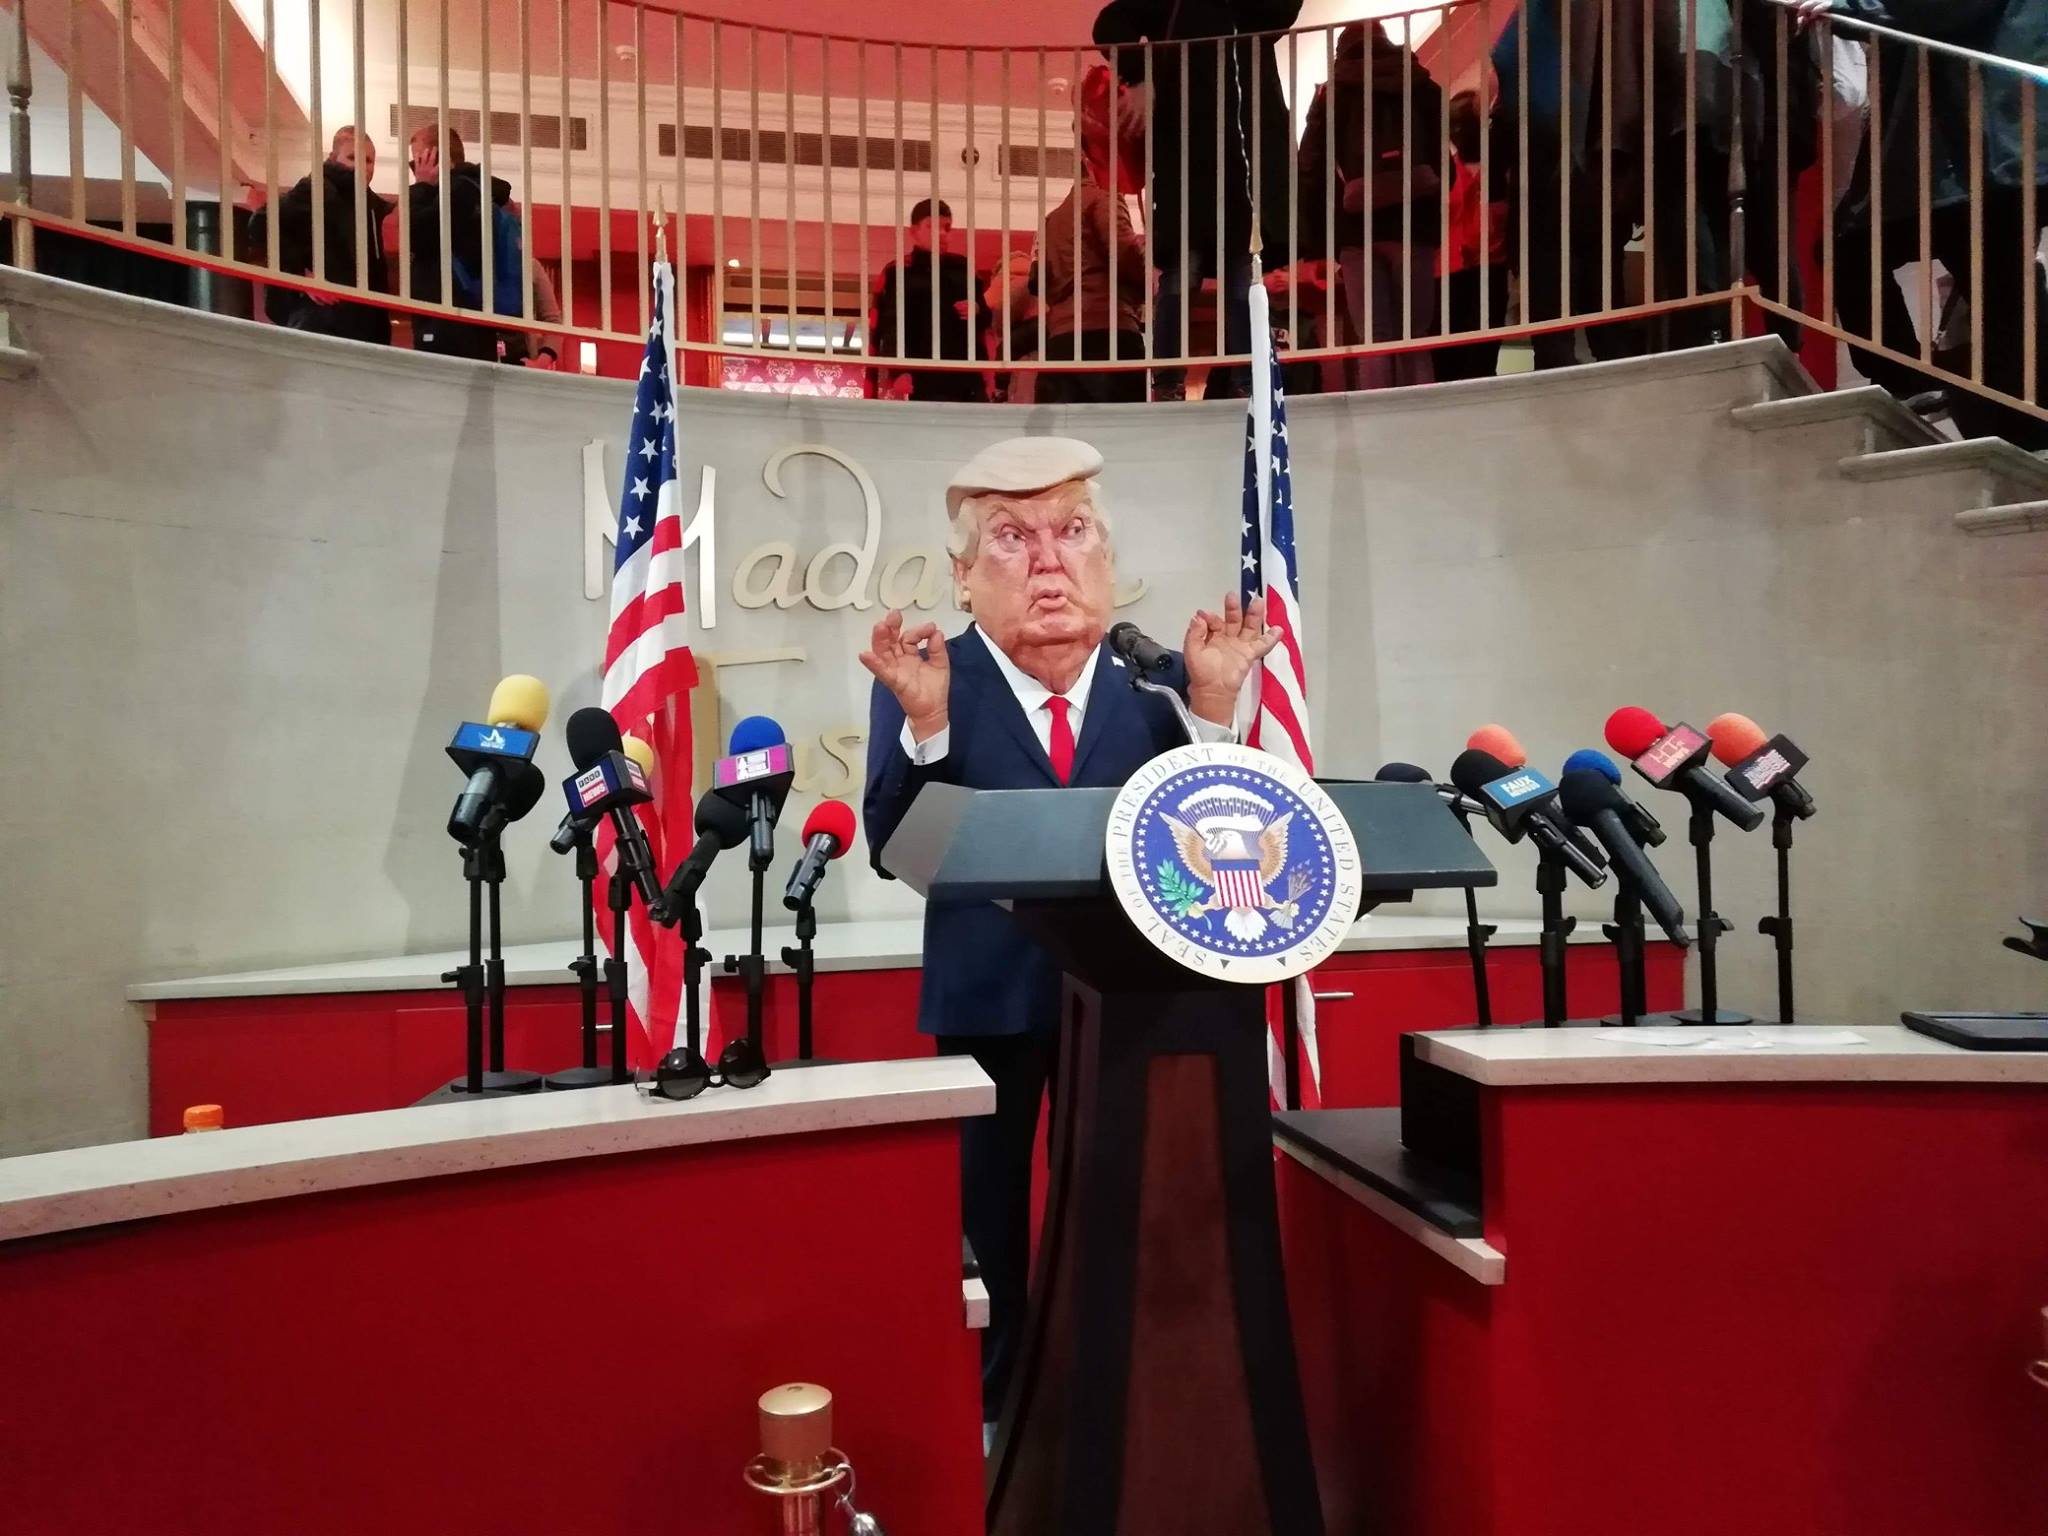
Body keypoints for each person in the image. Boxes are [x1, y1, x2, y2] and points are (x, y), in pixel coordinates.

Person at [860, 437, 1278, 1442]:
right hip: (988, 1001)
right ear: (963, 576)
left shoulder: (1162, 678)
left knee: (1122, 1207)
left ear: (1108, 559)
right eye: (1012, 537)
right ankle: (994, 1419)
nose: (1049, 560)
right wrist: (927, 733)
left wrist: (1214, 711)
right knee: (988, 1221)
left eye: (1073, 531)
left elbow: (1212, 831)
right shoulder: (930, 678)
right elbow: (894, 848)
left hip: (1131, 1001)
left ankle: (1122, 1410)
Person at [1791, 0, 2048, 448]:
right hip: (1983, 148)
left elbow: (1934, 10)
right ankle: (2018, 430)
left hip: (1983, 145)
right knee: (2000, 291)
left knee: (1997, 289)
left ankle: (1923, 387)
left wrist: (1851, 7)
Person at [1094, 0, 1305, 400]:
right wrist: (1139, 75)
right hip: (1220, 156)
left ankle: (1184, 381)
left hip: (1205, 158)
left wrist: (1140, 76)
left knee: (1206, 272)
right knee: (1221, 271)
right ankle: (1234, 381)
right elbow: (1111, 24)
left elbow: (1281, 11)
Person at [1296, 22, 1445, 390]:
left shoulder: (1332, 93)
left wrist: (1319, 241)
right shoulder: (1420, 82)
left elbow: (1310, 166)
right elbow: (1441, 154)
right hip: (1413, 221)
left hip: (1355, 229)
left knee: (1374, 337)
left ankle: (1380, 416)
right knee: (1414, 334)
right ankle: (1421, 412)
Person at [1035, 65, 1153, 405]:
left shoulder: (1053, 219)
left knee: (1067, 435)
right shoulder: (1104, 196)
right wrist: (1147, 271)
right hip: (1107, 332)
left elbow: (1041, 281)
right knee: (1116, 431)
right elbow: (1122, 252)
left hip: (1060, 339)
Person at [247, 125, 392, 344]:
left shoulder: (371, 205)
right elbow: (260, 223)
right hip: (323, 317)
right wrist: (300, 276)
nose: (362, 166)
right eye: (352, 157)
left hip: (360, 323)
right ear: (333, 158)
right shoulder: (317, 188)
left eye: (369, 160)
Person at [405, 125, 519, 361]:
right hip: (473, 320)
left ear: (435, 157)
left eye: (417, 160)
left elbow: (415, 235)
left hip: (447, 324)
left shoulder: (458, 192)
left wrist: (421, 185)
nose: (415, 169)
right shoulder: (479, 192)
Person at [869, 199, 991, 402]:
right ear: (914, 232)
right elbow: (891, 326)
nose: (942, 233)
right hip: (922, 375)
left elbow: (986, 319)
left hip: (968, 374)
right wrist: (899, 370)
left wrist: (977, 309)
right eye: (932, 226)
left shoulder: (963, 269)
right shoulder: (900, 272)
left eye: (947, 227)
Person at [1435, 90, 1512, 382]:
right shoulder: (1447, 169)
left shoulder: (1494, 168)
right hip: (1459, 267)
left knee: (1476, 353)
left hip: (1476, 265)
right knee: (1458, 354)